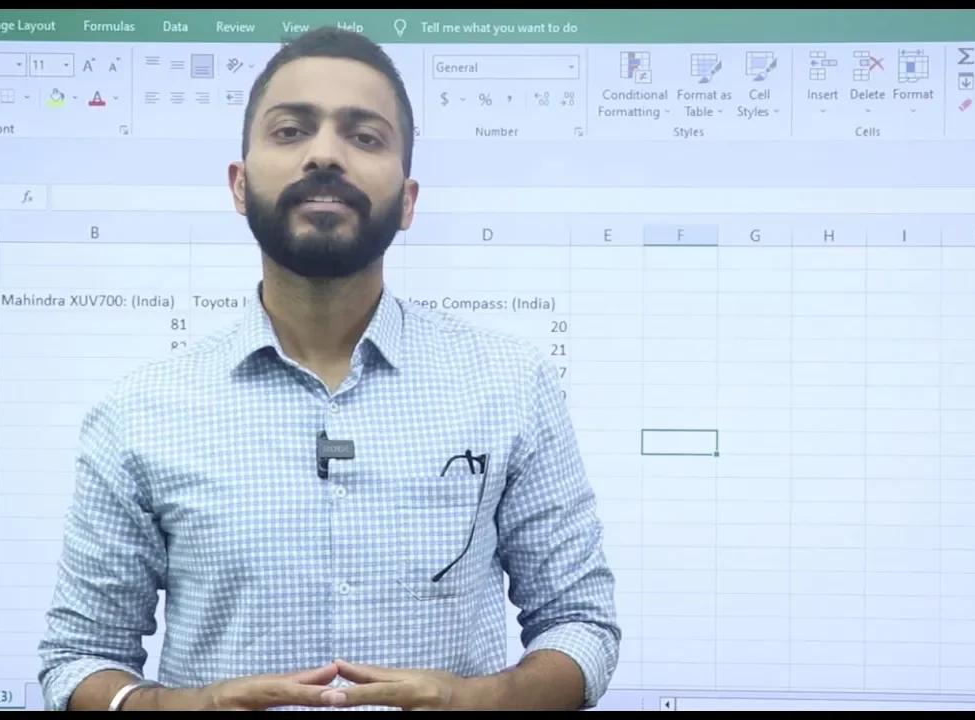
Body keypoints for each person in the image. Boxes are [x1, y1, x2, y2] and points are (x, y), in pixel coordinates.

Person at [37, 26, 620, 711]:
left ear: (408, 199)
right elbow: (78, 661)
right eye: (291, 131)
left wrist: (479, 700)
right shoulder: (138, 413)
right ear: (239, 184)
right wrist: (187, 705)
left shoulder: (511, 385)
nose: (324, 155)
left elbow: (582, 625)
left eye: (364, 137)